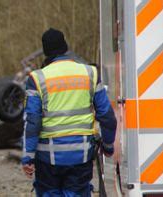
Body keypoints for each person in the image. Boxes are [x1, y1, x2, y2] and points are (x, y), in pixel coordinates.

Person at [22, 28, 117, 196]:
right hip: (80, 155)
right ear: (65, 47)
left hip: (47, 158)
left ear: (46, 52)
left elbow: (33, 121)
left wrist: (28, 156)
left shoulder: (37, 78)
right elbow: (107, 116)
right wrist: (108, 146)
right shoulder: (90, 73)